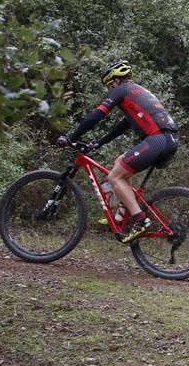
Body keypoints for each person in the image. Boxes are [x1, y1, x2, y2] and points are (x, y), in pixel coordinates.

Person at [56, 60, 179, 244]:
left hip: (158, 139)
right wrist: (99, 142)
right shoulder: (137, 92)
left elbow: (96, 116)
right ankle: (122, 215)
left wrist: (71, 137)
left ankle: (140, 220)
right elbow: (123, 126)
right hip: (168, 140)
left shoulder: (122, 90)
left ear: (115, 81)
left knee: (115, 178)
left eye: (109, 85)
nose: (109, 89)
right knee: (120, 162)